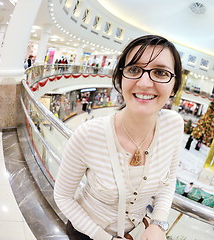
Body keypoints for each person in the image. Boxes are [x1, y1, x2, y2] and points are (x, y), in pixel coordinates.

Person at [54, 35, 184, 240]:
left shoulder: (173, 126)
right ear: (120, 78)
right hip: (86, 233)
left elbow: (169, 180)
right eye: (133, 69)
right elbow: (62, 196)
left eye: (160, 72)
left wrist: (158, 222)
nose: (144, 82)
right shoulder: (89, 134)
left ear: (174, 86)